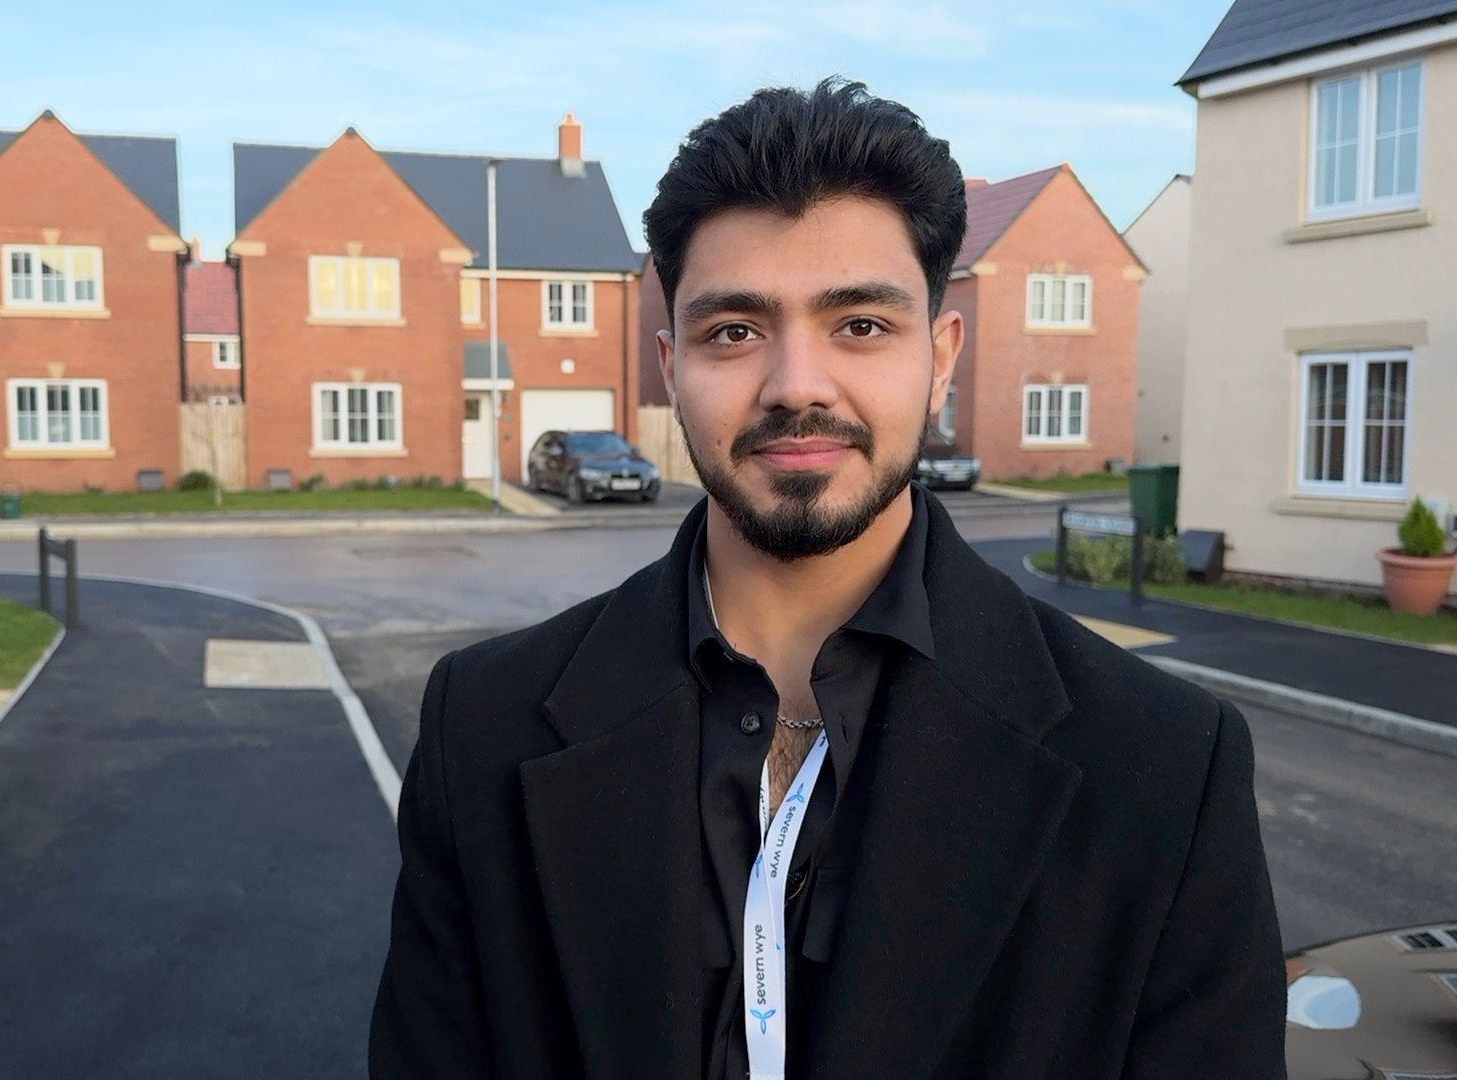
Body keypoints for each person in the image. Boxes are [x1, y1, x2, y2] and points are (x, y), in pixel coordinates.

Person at [370, 78, 1285, 1079]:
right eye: (735, 331)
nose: (797, 383)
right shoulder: (483, 727)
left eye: (859, 325)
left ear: (940, 359)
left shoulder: (1161, 767)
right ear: (670, 366)